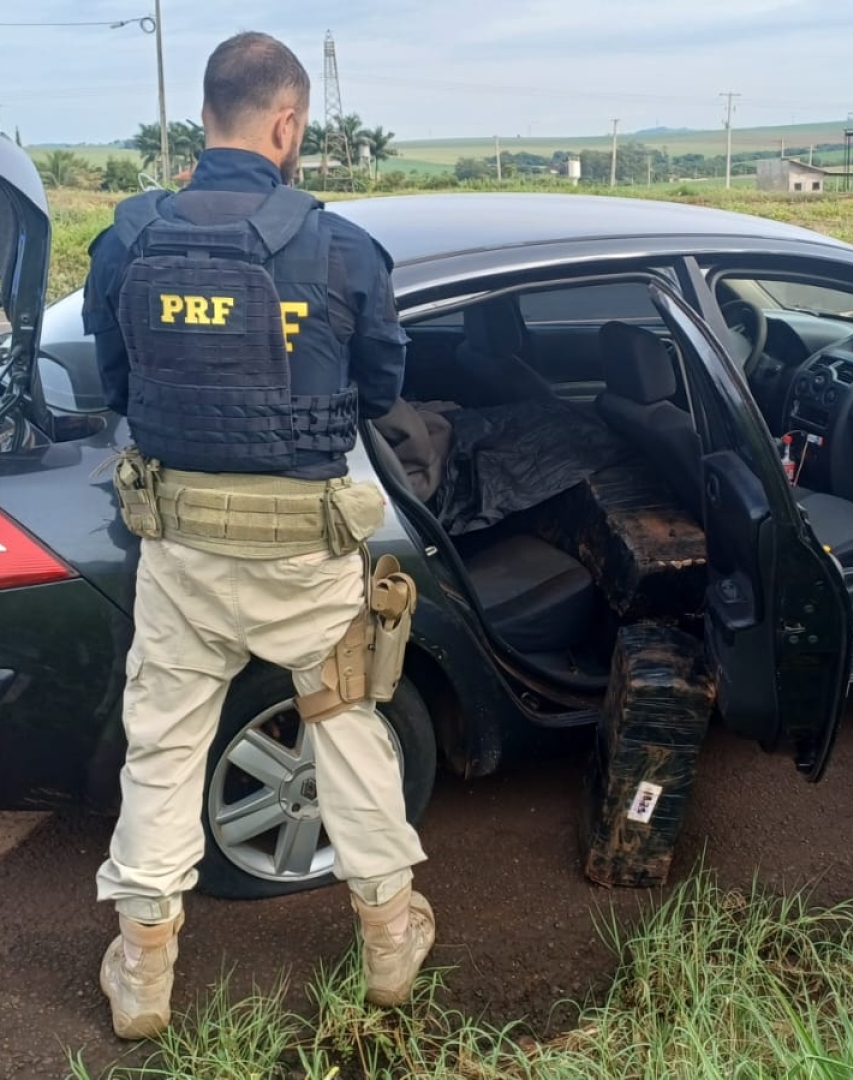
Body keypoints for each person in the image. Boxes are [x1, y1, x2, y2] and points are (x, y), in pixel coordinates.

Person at [82, 32, 433, 1040]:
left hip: (180, 548)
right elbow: (384, 388)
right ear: (288, 125)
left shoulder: (128, 236)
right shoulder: (340, 245)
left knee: (162, 748)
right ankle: (389, 939)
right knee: (344, 718)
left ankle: (144, 973)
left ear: (206, 118)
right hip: (302, 553)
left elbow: (118, 385)